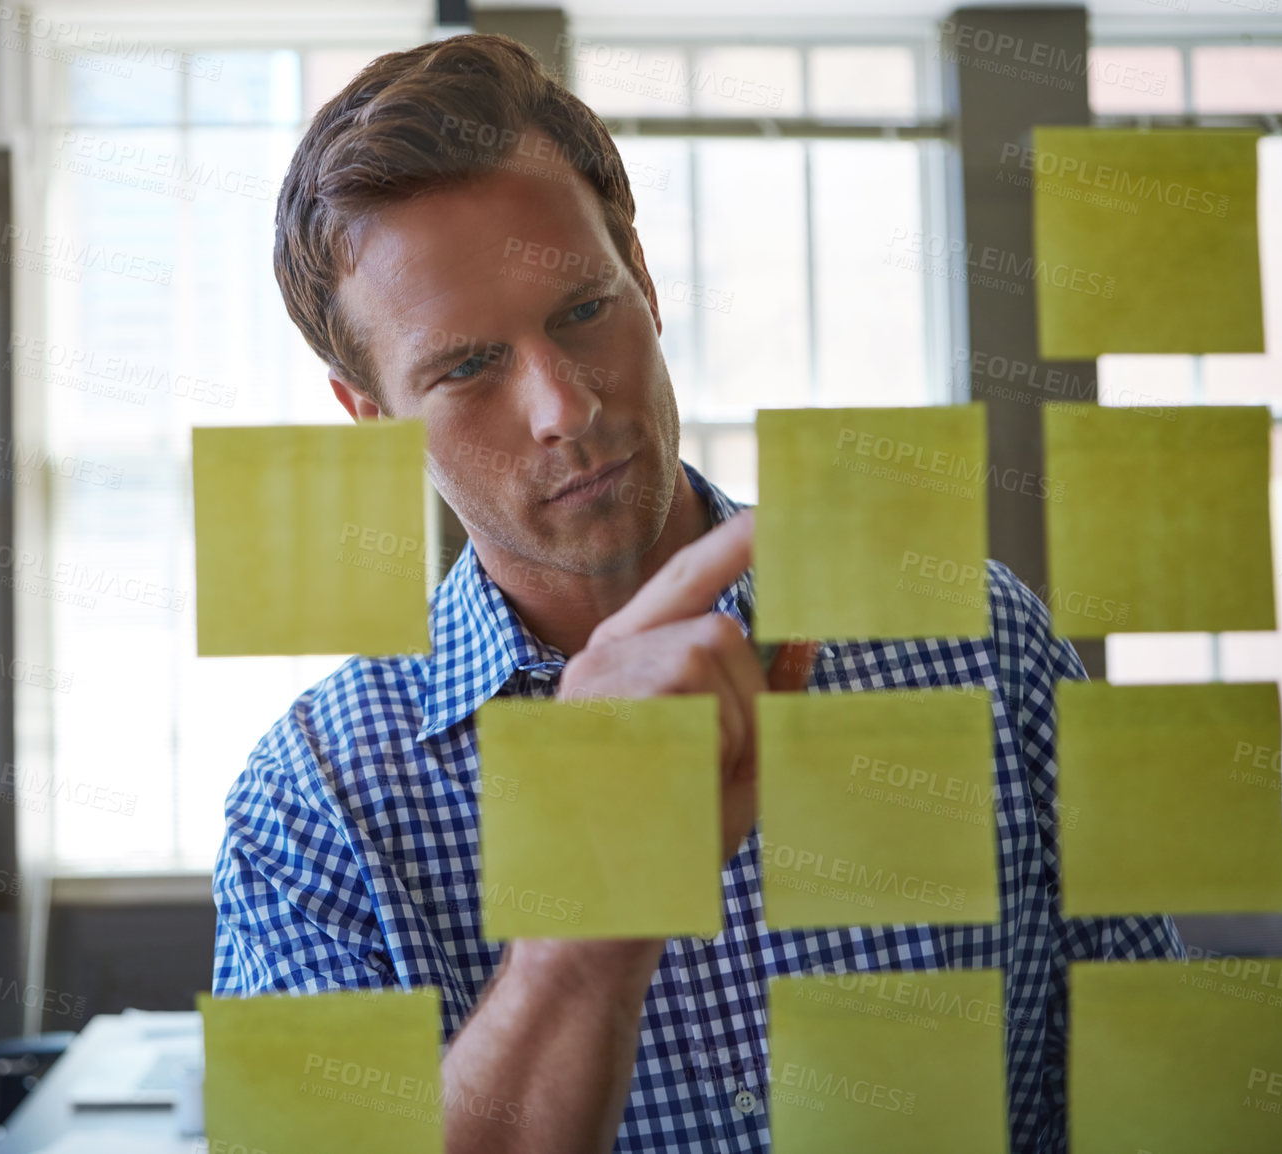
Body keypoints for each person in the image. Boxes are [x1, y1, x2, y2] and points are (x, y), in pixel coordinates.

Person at [212, 32, 1181, 1153]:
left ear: (644, 278)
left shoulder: (984, 641)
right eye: (468, 366)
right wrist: (581, 934)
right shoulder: (312, 806)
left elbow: (1150, 1096)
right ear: (371, 417)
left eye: (582, 310)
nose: (563, 406)